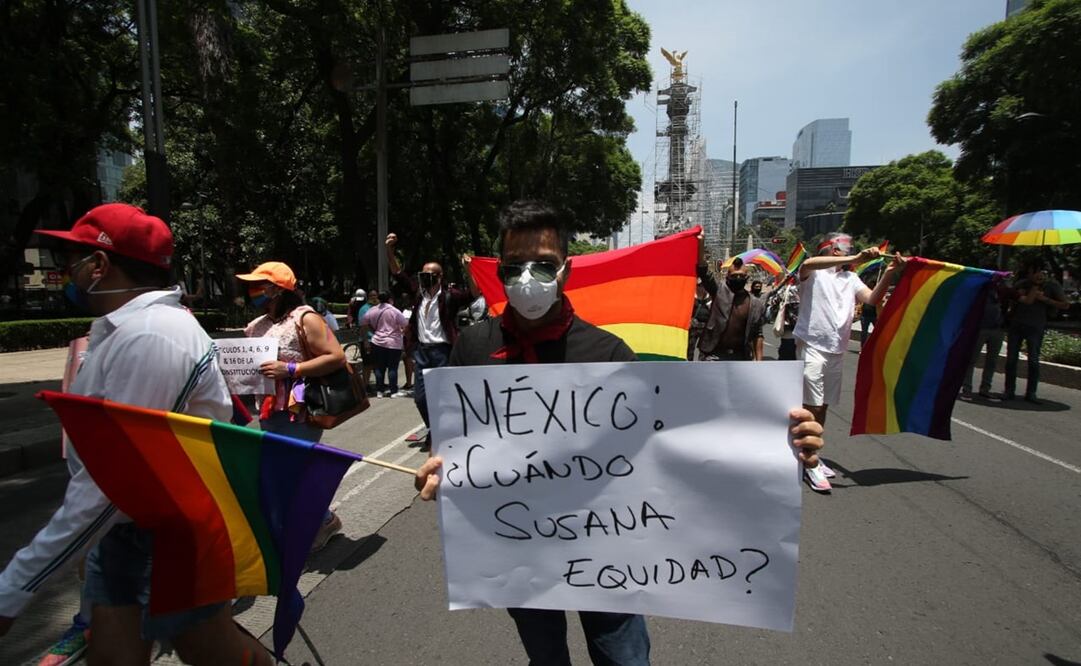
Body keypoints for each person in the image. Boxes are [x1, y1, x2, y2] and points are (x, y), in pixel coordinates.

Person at [413, 199, 825, 665]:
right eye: (515, 267)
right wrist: (434, 468)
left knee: (624, 658)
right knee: (545, 658)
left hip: (609, 549)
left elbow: (680, 437)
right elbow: (451, 442)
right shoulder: (473, 347)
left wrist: (778, 439)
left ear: (566, 269)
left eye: (544, 266)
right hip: (518, 550)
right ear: (501, 271)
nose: (529, 279)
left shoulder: (609, 353)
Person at [0, 203, 272, 665]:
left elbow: (113, 483)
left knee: (208, 649)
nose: (70, 270)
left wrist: (14, 590)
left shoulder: (154, 336)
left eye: (76, 259)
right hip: (127, 532)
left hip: (171, 535)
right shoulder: (124, 330)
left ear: (101, 265)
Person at [236, 261, 347, 551]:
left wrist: (291, 368)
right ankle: (311, 522)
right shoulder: (255, 326)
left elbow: (335, 356)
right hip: (268, 410)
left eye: (259, 284)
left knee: (294, 471)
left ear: (277, 289)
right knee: (278, 473)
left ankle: (322, 522)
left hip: (301, 409)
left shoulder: (305, 318)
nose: (252, 290)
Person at [794, 233, 903, 493]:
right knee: (811, 405)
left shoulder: (851, 278)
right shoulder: (813, 274)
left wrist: (889, 272)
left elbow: (872, 299)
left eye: (850, 247)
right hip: (812, 345)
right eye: (843, 246)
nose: (849, 250)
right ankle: (809, 463)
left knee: (823, 406)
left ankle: (811, 454)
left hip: (836, 350)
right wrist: (857, 257)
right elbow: (807, 265)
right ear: (829, 249)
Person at [386, 232, 475, 449]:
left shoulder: (449, 296)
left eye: (430, 275)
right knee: (420, 398)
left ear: (439, 276)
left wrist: (468, 269)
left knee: (443, 398)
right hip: (423, 352)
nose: (425, 278)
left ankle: (442, 434)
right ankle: (434, 429)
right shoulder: (419, 294)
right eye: (423, 274)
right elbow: (397, 272)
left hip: (443, 351)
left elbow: (473, 293)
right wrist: (389, 249)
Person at [1003, 261, 1069, 403]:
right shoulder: (1022, 284)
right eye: (1035, 272)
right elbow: (1011, 299)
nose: (1038, 275)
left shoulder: (1052, 285)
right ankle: (1009, 390)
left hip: (1036, 326)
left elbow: (1065, 304)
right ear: (1029, 273)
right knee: (1011, 359)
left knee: (1033, 360)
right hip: (1017, 324)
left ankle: (1031, 392)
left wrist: (1044, 299)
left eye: (1041, 272)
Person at [696, 241, 767, 362]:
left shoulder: (756, 304)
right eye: (734, 276)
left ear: (747, 278)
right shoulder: (719, 291)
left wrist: (759, 362)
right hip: (714, 355)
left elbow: (758, 334)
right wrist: (700, 243)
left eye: (741, 276)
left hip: (741, 357)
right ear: (727, 278)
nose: (738, 279)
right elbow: (704, 271)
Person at [961, 277, 1010, 399]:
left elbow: (1019, 298)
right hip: (980, 328)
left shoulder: (1002, 291)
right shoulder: (978, 289)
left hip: (997, 328)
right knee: (971, 359)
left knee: (992, 361)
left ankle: (985, 388)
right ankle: (966, 388)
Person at [360, 290, 408, 397]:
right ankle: (393, 391)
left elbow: (363, 324)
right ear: (390, 299)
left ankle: (379, 391)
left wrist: (369, 335)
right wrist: (401, 333)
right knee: (392, 367)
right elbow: (405, 324)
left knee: (379, 367)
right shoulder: (394, 311)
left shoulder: (372, 310)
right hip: (393, 343)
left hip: (377, 342)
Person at [687, 279, 711, 361]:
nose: (701, 288)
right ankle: (688, 363)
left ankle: (702, 364)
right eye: (699, 286)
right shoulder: (692, 297)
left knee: (703, 349)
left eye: (702, 286)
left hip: (705, 328)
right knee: (690, 347)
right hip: (694, 327)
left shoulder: (709, 298)